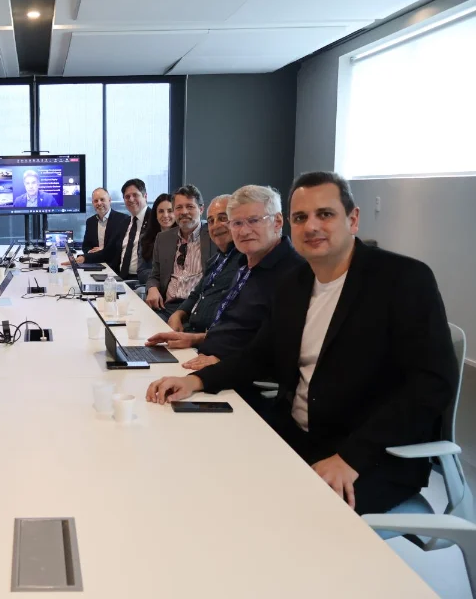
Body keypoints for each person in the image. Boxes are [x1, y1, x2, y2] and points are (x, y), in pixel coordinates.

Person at [146, 171, 458, 515]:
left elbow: (432, 385)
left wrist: (350, 458)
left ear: (352, 219)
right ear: (290, 224)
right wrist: (195, 380)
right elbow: (260, 353)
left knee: (284, 517)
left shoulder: (403, 280)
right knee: (209, 475)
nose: (311, 226)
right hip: (297, 436)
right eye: (301, 217)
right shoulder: (295, 282)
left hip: (371, 455)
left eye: (325, 214)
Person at [145, 185, 304, 373]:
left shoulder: (287, 272)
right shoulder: (236, 261)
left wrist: (210, 361)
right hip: (203, 344)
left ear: (277, 222)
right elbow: (203, 299)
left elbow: (262, 345)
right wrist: (180, 316)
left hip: (227, 365)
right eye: (237, 223)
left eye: (253, 220)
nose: (244, 231)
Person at [166, 195, 241, 333]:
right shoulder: (216, 260)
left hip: (208, 341)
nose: (216, 225)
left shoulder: (245, 262)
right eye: (211, 221)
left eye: (223, 218)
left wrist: (193, 339)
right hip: (188, 329)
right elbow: (196, 294)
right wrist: (178, 314)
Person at [142, 186, 216, 302]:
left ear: (201, 209)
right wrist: (152, 288)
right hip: (166, 306)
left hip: (196, 307)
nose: (184, 212)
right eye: (179, 207)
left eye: (190, 206)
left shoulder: (213, 235)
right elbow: (155, 276)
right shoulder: (163, 239)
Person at [79, 178, 152, 280]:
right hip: (121, 277)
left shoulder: (155, 220)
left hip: (143, 282)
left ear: (145, 196)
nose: (131, 199)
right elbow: (108, 252)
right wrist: (83, 258)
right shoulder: (126, 223)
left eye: (135, 195)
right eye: (127, 197)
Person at [81, 187, 130, 254]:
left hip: (113, 262)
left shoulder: (123, 219)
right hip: (95, 261)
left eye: (102, 199)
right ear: (92, 203)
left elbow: (124, 246)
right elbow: (85, 247)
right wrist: (91, 252)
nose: (99, 203)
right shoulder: (90, 222)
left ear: (109, 200)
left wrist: (103, 250)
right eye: (96, 201)